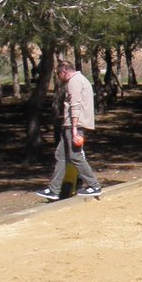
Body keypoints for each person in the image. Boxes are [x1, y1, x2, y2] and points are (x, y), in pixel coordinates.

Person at [37, 58, 101, 201]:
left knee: (76, 157)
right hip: (71, 125)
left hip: (74, 126)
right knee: (60, 155)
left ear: (64, 71)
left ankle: (94, 185)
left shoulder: (74, 81)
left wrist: (74, 129)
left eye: (58, 74)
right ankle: (54, 189)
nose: (58, 78)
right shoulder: (81, 80)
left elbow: (75, 105)